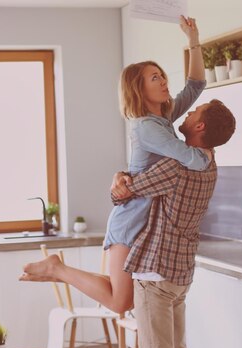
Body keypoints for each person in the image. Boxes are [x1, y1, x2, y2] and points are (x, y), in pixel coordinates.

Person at [19, 16, 210, 313]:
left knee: (123, 296)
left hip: (144, 220)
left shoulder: (162, 119)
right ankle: (57, 270)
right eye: (154, 78)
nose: (163, 81)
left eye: (162, 75)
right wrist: (210, 155)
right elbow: (190, 159)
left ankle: (58, 269)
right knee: (121, 301)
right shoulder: (146, 126)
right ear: (138, 88)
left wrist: (193, 40)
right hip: (131, 218)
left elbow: (196, 84)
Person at [110, 99, 236, 348]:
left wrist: (119, 180)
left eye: (196, 111)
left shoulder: (176, 167)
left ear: (199, 128)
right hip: (180, 275)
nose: (189, 112)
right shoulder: (210, 164)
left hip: (154, 273)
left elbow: (126, 194)